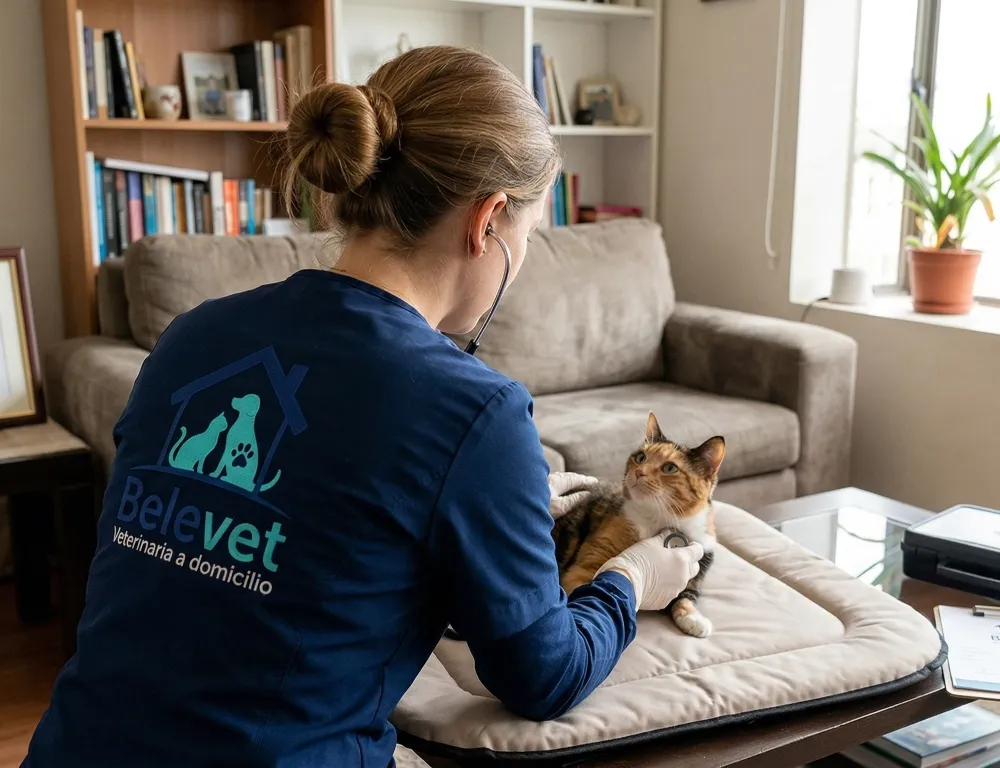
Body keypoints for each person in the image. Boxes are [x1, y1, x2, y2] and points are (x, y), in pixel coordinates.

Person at [23, 45, 704, 767]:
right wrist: (630, 582)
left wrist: (491, 510)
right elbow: (542, 675)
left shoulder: (194, 335)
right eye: (528, 237)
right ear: (488, 221)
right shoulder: (474, 409)